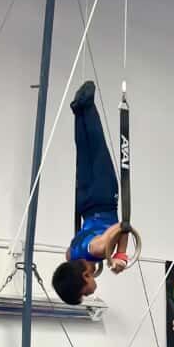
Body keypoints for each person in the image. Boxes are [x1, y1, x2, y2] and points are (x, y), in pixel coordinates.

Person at [52, 81, 129, 305]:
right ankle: (79, 110)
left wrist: (120, 255)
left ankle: (88, 104)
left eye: (86, 292)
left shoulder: (95, 250)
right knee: (84, 151)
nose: (90, 292)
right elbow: (70, 256)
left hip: (103, 198)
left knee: (97, 148)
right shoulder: (71, 256)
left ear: (85, 277)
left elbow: (123, 226)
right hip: (84, 202)